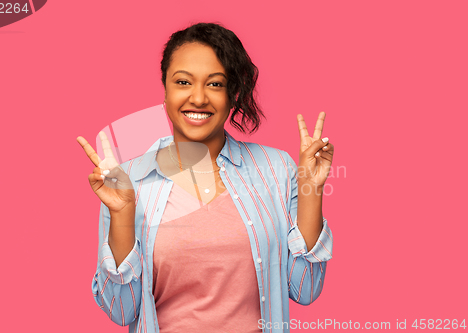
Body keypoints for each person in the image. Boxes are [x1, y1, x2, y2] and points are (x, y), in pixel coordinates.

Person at [77, 22, 334, 333]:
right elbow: (121, 311)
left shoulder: (276, 168)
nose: (197, 98)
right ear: (166, 89)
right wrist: (121, 215)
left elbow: (304, 290)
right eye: (183, 82)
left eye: (214, 84)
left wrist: (310, 188)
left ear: (233, 93)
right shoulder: (129, 180)